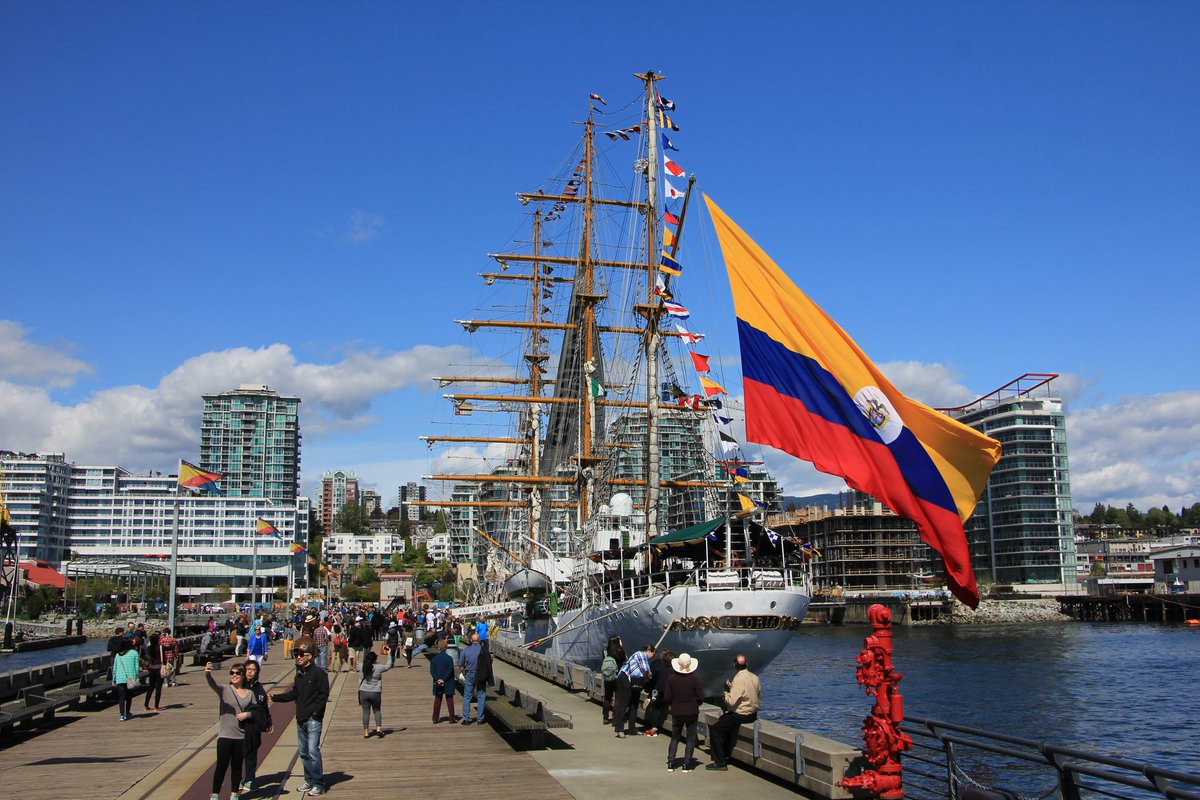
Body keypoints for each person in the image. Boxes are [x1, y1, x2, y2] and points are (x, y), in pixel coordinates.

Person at [269, 636, 330, 796]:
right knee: (303, 752)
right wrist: (276, 698)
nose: (297, 658)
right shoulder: (299, 675)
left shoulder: (319, 674)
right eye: (296, 655)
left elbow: (323, 695)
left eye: (300, 655)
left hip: (313, 719)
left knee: (312, 751)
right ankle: (309, 780)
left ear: (309, 656)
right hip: (301, 717)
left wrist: (316, 713)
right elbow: (294, 694)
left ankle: (319, 783)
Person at [205, 659, 258, 800]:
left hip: (241, 736)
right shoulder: (225, 690)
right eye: (232, 673)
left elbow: (257, 711)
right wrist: (208, 674)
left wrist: (247, 714)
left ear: (243, 675)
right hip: (225, 736)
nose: (234, 675)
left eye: (237, 673)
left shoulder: (249, 694)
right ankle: (215, 794)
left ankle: (234, 793)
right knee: (221, 766)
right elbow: (213, 684)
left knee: (237, 767)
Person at [706, 653, 761, 771]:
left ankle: (720, 761)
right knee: (724, 723)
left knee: (715, 730)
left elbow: (731, 702)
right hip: (752, 713)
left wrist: (726, 691)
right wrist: (733, 688)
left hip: (740, 714)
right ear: (747, 664)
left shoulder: (738, 679)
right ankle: (726, 754)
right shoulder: (754, 677)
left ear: (734, 665)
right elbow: (755, 693)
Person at [665, 652, 704, 772]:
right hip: (691, 711)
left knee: (675, 737)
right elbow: (700, 698)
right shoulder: (694, 680)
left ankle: (671, 763)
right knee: (690, 738)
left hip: (677, 710)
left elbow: (667, 697)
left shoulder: (671, 679)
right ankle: (686, 764)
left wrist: (674, 703)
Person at [240, 659, 273, 793]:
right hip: (241, 726)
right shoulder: (240, 685)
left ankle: (250, 779)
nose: (249, 672)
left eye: (252, 669)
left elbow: (264, 706)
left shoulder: (259, 687)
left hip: (254, 726)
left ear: (257, 672)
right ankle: (238, 779)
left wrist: (269, 722)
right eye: (247, 669)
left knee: (252, 753)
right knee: (240, 754)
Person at [613, 643, 653, 738]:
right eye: (653, 654)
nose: (652, 657)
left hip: (635, 681)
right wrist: (650, 675)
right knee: (624, 703)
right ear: (649, 651)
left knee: (634, 704)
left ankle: (632, 728)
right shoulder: (641, 654)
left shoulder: (639, 656)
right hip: (626, 679)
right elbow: (646, 670)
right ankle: (620, 729)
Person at [358, 649, 392, 738]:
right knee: (377, 710)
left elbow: (356, 661)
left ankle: (366, 732)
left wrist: (358, 653)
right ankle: (378, 728)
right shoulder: (379, 667)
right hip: (375, 692)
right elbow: (388, 666)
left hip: (363, 692)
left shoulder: (361, 666)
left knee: (365, 712)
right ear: (375, 660)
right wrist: (389, 654)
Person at [457, 632, 486, 725]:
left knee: (467, 696)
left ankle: (465, 718)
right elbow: (489, 662)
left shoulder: (465, 650)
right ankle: (480, 719)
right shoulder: (484, 650)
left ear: (470, 640)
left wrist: (464, 673)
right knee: (481, 695)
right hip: (481, 674)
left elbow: (461, 665)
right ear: (479, 640)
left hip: (470, 673)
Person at [643, 647, 673, 737]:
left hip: (657, 690)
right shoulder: (672, 668)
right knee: (662, 706)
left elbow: (652, 679)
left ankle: (654, 727)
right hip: (668, 692)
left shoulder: (656, 664)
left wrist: (647, 688)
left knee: (655, 706)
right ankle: (657, 725)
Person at [112, 638, 140, 721]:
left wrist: (114, 679)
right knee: (129, 697)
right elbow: (136, 667)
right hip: (130, 678)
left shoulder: (118, 655)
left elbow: (115, 668)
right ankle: (127, 713)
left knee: (121, 698)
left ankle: (121, 715)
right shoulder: (134, 653)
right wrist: (136, 676)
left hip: (120, 678)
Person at [429, 639, 457, 723]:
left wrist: (438, 679)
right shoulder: (449, 658)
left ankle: (435, 718)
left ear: (438, 647)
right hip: (448, 681)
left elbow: (432, 671)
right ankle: (451, 718)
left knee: (438, 699)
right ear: (446, 647)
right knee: (449, 699)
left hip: (437, 681)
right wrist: (444, 679)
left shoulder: (434, 659)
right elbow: (450, 670)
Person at [600, 635, 625, 725]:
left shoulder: (605, 650)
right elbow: (624, 659)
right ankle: (615, 719)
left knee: (607, 697)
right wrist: (621, 647)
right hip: (618, 676)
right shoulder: (620, 651)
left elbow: (604, 660)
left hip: (608, 677)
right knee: (618, 698)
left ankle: (605, 717)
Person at [142, 632, 165, 711]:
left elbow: (145, 657)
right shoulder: (160, 648)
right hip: (159, 669)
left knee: (150, 688)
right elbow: (170, 648)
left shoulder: (149, 648)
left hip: (151, 669)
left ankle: (146, 705)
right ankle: (156, 706)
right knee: (158, 688)